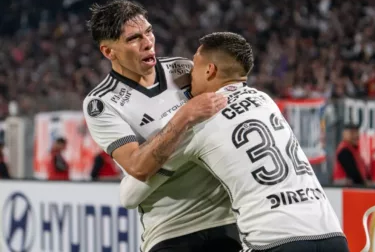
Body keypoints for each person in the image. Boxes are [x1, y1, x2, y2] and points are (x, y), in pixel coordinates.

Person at [121, 32, 348, 252]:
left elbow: (129, 195)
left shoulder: (197, 120)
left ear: (210, 70)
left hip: (274, 241)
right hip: (332, 234)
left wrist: (176, 125)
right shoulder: (265, 101)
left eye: (195, 65)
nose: (190, 76)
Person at [83, 0, 241, 252]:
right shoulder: (102, 103)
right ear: (109, 52)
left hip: (225, 218)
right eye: (134, 38)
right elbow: (138, 167)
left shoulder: (183, 69)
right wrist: (184, 116)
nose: (148, 42)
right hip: (170, 229)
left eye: (149, 31)